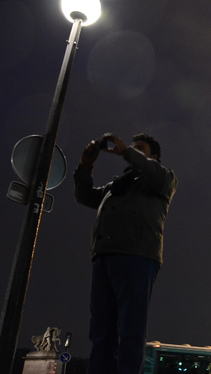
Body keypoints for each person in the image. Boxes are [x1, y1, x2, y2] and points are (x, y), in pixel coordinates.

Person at [74, 133, 178, 374]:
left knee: (131, 331)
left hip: (136, 255)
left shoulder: (163, 179)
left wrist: (127, 153)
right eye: (133, 148)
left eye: (140, 148)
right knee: (101, 332)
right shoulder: (115, 186)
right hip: (104, 256)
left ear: (155, 157)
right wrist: (86, 166)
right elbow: (85, 197)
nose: (133, 151)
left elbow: (159, 178)